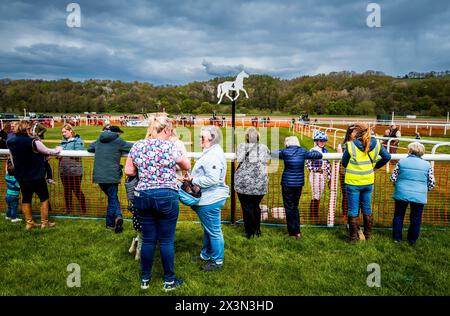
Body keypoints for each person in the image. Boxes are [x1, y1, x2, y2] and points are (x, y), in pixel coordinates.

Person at [125, 116, 190, 290]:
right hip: (166, 195)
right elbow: (186, 165)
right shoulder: (171, 146)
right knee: (167, 240)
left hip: (143, 195)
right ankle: (169, 281)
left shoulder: (138, 145)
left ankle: (145, 280)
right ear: (167, 130)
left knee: (148, 240)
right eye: (171, 132)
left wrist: (146, 168)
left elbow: (129, 170)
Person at [184, 125, 229, 271]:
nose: (200, 139)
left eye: (202, 137)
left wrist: (192, 180)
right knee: (208, 229)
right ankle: (206, 255)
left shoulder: (213, 155)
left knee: (214, 231)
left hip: (211, 199)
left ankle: (217, 262)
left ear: (212, 138)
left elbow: (212, 179)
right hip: (209, 197)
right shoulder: (211, 151)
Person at [7, 120, 62, 229]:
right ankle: (44, 223)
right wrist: (58, 149)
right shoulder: (33, 141)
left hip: (22, 176)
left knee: (26, 199)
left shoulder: (10, 141)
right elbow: (47, 151)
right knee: (44, 198)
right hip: (36, 175)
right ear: (27, 129)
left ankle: (29, 223)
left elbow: (12, 158)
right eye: (30, 128)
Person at [342, 122, 391, 241]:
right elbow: (387, 157)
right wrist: (375, 166)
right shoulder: (377, 144)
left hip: (353, 182)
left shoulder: (351, 145)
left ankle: (353, 237)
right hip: (368, 181)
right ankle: (368, 235)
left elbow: (344, 163)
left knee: (353, 209)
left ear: (357, 132)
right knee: (367, 208)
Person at [272, 136, 323, 238]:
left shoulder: (284, 152)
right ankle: (298, 232)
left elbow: (273, 153)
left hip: (287, 183)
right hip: (299, 184)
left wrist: (284, 149)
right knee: (295, 207)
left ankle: (292, 232)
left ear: (287, 144)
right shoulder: (303, 151)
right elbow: (318, 154)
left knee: (289, 207)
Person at [87, 125, 133, 233]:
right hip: (111, 176)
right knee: (112, 199)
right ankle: (110, 223)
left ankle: (118, 216)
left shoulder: (99, 139)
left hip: (99, 176)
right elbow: (132, 147)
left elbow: (90, 148)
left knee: (113, 198)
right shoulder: (118, 140)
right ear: (117, 133)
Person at [390, 142, 435, 245]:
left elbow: (393, 178)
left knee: (398, 216)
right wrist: (424, 190)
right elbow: (432, 183)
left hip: (401, 192)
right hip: (419, 195)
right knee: (416, 218)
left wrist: (397, 186)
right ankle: (412, 240)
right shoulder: (427, 165)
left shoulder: (401, 162)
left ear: (409, 150)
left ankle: (397, 238)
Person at [235, 127, 270, 239]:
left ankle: (249, 232)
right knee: (256, 206)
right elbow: (267, 158)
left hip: (243, 183)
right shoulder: (264, 148)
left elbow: (238, 158)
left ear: (247, 137)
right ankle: (257, 229)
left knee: (247, 207)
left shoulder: (241, 146)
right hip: (260, 183)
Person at [59, 124, 87, 215]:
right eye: (62, 132)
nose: (63, 134)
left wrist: (63, 153)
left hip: (75, 171)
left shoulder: (78, 141)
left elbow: (78, 153)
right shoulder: (63, 142)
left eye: (65, 132)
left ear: (71, 131)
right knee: (66, 190)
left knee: (76, 190)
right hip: (64, 171)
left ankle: (84, 209)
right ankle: (68, 209)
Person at [306, 130, 331, 222]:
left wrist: (329, 178)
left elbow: (328, 166)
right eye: (320, 141)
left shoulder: (326, 151)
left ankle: (315, 213)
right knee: (315, 195)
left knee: (319, 195)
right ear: (316, 141)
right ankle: (313, 214)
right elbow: (307, 165)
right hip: (315, 175)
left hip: (323, 176)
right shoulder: (312, 151)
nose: (322, 142)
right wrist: (317, 169)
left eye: (324, 141)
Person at [337, 125, 356, 222]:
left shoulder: (359, 144)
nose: (356, 134)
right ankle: (345, 214)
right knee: (346, 194)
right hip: (344, 173)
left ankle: (354, 214)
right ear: (350, 133)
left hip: (356, 173)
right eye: (355, 132)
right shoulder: (342, 145)